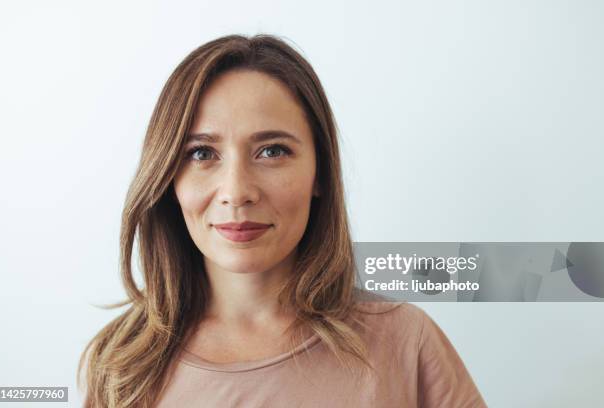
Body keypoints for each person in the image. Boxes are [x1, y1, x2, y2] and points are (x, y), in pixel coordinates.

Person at [78, 34, 487, 408]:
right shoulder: (121, 364)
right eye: (202, 154)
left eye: (272, 151)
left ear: (321, 174)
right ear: (168, 178)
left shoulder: (404, 343)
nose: (236, 191)